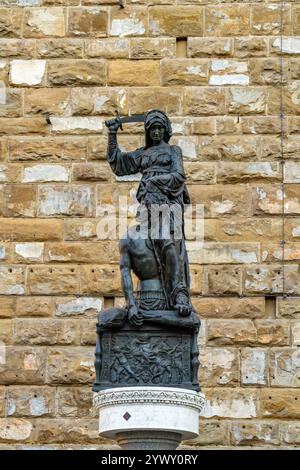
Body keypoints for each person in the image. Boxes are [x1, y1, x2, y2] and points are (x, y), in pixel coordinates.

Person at [105, 109, 192, 317]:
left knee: (169, 243)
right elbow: (119, 164)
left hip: (170, 203)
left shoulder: (173, 151)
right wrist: (112, 134)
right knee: (141, 240)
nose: (156, 132)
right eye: (152, 128)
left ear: (166, 130)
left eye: (160, 128)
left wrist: (154, 181)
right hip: (149, 203)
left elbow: (179, 176)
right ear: (147, 131)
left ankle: (179, 293)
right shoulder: (143, 154)